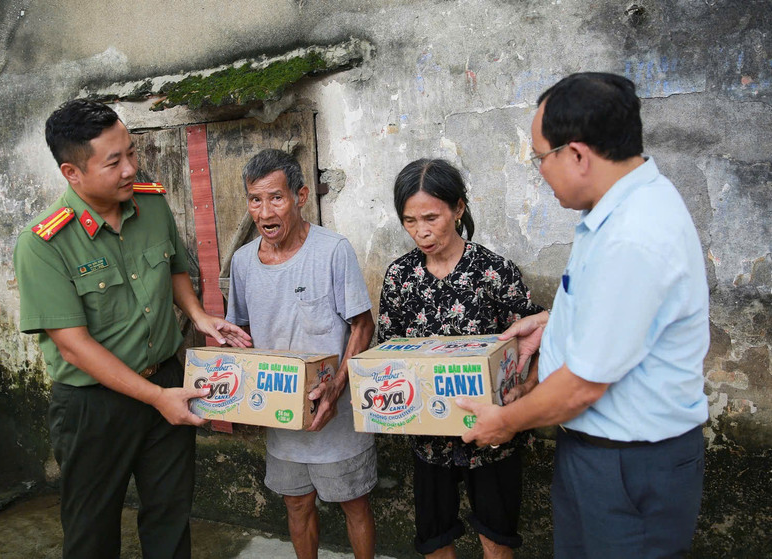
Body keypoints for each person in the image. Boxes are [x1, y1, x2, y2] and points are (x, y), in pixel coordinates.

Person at [458, 72, 709, 558]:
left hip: (628, 467)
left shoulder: (633, 236)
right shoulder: (621, 211)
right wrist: (555, 321)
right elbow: (624, 312)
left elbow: (582, 385)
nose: (539, 171)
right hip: (599, 456)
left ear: (576, 154)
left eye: (540, 157)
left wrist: (504, 422)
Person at [13, 99, 251, 558]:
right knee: (92, 530)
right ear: (72, 172)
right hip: (92, 407)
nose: (130, 168)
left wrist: (199, 316)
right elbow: (76, 348)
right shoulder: (43, 245)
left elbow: (176, 268)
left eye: (131, 153)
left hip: (167, 380)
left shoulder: (150, 203)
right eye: (114, 161)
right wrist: (158, 399)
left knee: (170, 517)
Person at [377, 158, 544, 559]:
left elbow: (534, 342)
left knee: (497, 541)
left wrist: (526, 390)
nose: (421, 231)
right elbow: (386, 354)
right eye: (410, 221)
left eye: (431, 217)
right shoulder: (400, 277)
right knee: (435, 540)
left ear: (459, 208)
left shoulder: (493, 272)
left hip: (493, 437)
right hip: (428, 436)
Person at [225, 148, 377, 559]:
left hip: (337, 418)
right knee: (296, 504)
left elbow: (363, 325)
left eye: (276, 197)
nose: (264, 210)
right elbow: (240, 332)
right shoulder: (242, 263)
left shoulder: (332, 250)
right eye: (255, 200)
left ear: (300, 196)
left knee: (355, 504)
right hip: (283, 422)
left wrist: (336, 390)